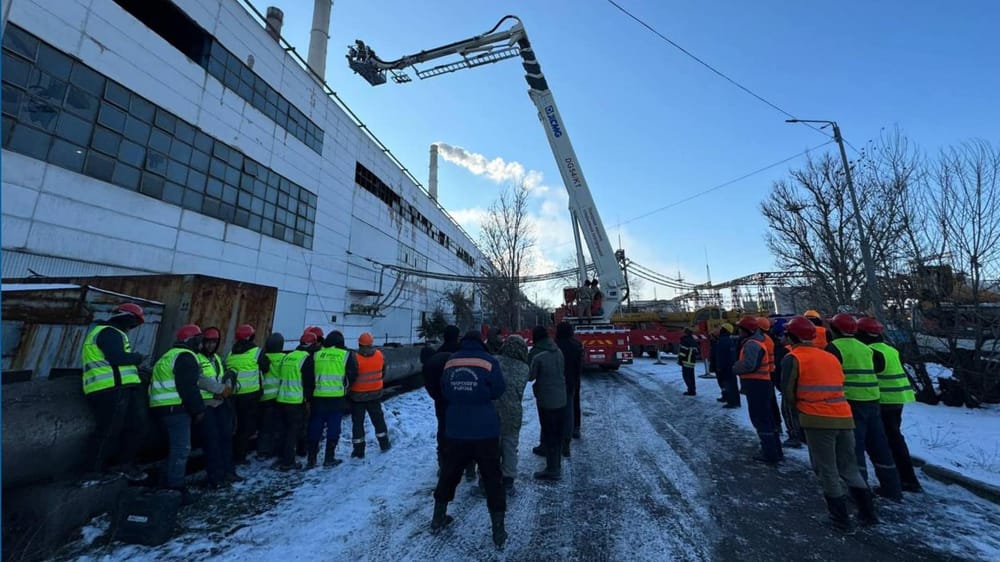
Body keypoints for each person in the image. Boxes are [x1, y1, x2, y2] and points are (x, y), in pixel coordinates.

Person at [781, 316, 877, 531]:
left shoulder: (794, 358)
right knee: (849, 467)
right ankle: (868, 514)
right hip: (844, 416)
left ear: (792, 336)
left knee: (827, 469)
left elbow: (788, 393)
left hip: (817, 420)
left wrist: (797, 415)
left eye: (786, 333)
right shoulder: (829, 356)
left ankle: (840, 519)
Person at [430, 330, 507, 549]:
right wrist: (480, 395)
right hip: (485, 429)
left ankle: (438, 516)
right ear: (481, 343)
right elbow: (498, 390)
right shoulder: (489, 361)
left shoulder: (451, 361)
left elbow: (445, 389)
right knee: (492, 477)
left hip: (456, 428)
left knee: (449, 473)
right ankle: (498, 529)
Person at [827, 313, 903, 501]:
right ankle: (892, 488)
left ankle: (860, 491)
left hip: (851, 401)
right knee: (879, 445)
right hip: (873, 399)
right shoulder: (866, 348)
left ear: (835, 329)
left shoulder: (834, 347)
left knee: (854, 447)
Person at [79, 302, 149, 481]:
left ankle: (124, 464)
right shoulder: (109, 332)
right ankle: (92, 472)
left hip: (121, 387)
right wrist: (137, 358)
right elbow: (117, 358)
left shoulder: (112, 333)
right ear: (126, 317)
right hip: (110, 388)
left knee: (136, 427)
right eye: (134, 323)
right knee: (108, 430)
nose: (133, 327)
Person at [856, 317, 923, 493]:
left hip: (883, 400)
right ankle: (907, 478)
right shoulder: (889, 349)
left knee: (886, 441)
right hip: (896, 399)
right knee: (895, 438)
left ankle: (900, 480)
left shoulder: (870, 352)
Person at [149, 324, 206, 505]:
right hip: (175, 409)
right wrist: (198, 410)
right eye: (199, 339)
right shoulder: (186, 356)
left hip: (160, 408)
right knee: (181, 449)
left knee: (174, 449)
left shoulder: (168, 355)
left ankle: (164, 483)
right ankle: (175, 488)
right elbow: (188, 387)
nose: (201, 344)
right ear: (190, 340)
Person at [732, 316, 783, 464]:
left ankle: (769, 453)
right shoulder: (758, 341)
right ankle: (775, 450)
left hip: (757, 385)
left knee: (761, 419)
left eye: (740, 329)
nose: (739, 332)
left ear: (746, 330)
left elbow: (749, 365)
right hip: (762, 383)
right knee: (767, 418)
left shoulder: (752, 344)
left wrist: (735, 367)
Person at [307, 331, 358, 468]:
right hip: (336, 398)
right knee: (334, 427)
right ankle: (329, 458)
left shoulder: (316, 354)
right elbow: (352, 374)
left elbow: (309, 375)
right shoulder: (345, 355)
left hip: (318, 397)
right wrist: (345, 387)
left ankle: (311, 459)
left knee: (315, 426)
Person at [196, 327, 239, 488]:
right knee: (211, 441)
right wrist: (220, 390)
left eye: (214, 342)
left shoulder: (217, 358)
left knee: (226, 438)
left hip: (220, 403)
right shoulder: (197, 358)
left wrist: (228, 384)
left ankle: (228, 471)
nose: (211, 345)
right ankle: (215, 476)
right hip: (206, 404)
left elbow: (223, 375)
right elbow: (199, 380)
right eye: (208, 342)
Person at [494, 334, 531, 495]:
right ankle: (508, 481)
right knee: (510, 446)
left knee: (492, 446)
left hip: (493, 410)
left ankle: (488, 479)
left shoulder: (494, 361)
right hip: (513, 412)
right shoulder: (524, 368)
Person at [274, 331, 316, 471]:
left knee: (283, 430)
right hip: (295, 401)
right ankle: (288, 462)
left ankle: (281, 456)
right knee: (293, 432)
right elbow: (308, 383)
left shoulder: (288, 356)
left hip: (281, 399)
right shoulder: (306, 359)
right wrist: (308, 400)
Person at [226, 324, 267, 465]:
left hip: (233, 395)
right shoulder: (256, 352)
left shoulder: (231, 353)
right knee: (245, 428)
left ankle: (230, 454)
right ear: (251, 337)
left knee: (234, 426)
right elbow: (265, 367)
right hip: (250, 396)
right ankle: (240, 457)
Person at [529, 325, 566, 480]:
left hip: (546, 399)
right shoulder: (558, 351)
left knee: (549, 430)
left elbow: (530, 376)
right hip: (561, 397)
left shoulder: (538, 356)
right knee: (556, 431)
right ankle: (552, 458)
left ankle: (553, 469)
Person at [423, 325, 462, 472]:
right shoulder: (462, 352)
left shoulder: (438, 353)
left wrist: (437, 397)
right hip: (460, 399)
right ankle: (464, 461)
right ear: (457, 336)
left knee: (443, 429)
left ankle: (444, 461)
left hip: (441, 400)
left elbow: (429, 378)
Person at [349, 332, 391, 458]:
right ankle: (384, 444)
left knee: (358, 423)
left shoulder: (354, 357)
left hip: (357, 396)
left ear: (359, 343)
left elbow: (351, 376)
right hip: (375, 394)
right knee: (378, 420)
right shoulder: (379, 355)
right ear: (371, 343)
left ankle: (359, 451)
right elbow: (383, 372)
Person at [255, 332, 285, 461]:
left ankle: (262, 451)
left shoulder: (262, 357)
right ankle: (273, 450)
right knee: (276, 426)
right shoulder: (284, 358)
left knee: (264, 427)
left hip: (262, 397)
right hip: (277, 397)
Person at [554, 322, 583, 455]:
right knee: (571, 408)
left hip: (556, 383)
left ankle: (556, 439)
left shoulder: (554, 346)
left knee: (555, 411)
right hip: (572, 381)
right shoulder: (576, 345)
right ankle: (570, 434)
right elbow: (579, 365)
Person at [757, 317, 782, 436]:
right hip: (769, 372)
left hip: (766, 373)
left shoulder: (764, 340)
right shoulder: (769, 338)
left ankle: (774, 425)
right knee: (771, 400)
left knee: (768, 401)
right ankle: (776, 424)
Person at [716, 323, 740, 408]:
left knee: (728, 384)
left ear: (724, 330)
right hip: (730, 366)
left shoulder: (722, 341)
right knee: (732, 384)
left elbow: (720, 355)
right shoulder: (729, 340)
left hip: (725, 367)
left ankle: (732, 402)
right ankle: (734, 400)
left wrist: (719, 366)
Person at [678, 327, 699, 396]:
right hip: (692, 361)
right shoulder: (692, 340)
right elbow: (697, 351)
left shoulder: (685, 340)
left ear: (685, 333)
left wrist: (680, 360)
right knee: (691, 376)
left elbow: (683, 351)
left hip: (686, 360)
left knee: (686, 376)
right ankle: (692, 390)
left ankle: (690, 391)